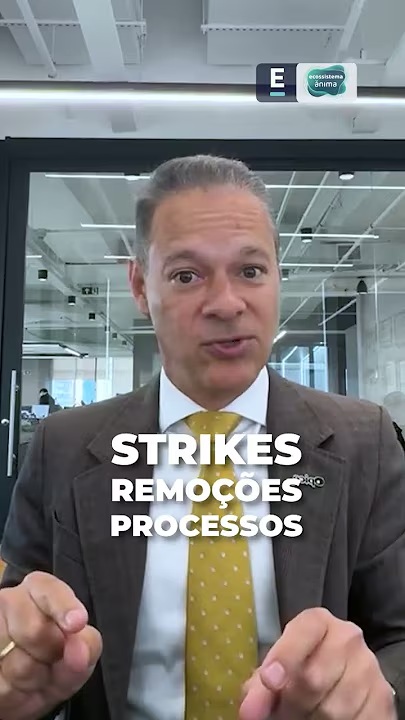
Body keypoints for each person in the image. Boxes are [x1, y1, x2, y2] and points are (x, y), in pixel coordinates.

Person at [0, 154, 404, 720]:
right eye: (187, 276)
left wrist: (379, 692)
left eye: (251, 271)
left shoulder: (366, 442)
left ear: (278, 276)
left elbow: (398, 635)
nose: (226, 304)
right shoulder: (63, 446)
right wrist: (16, 672)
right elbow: (18, 623)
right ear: (140, 286)